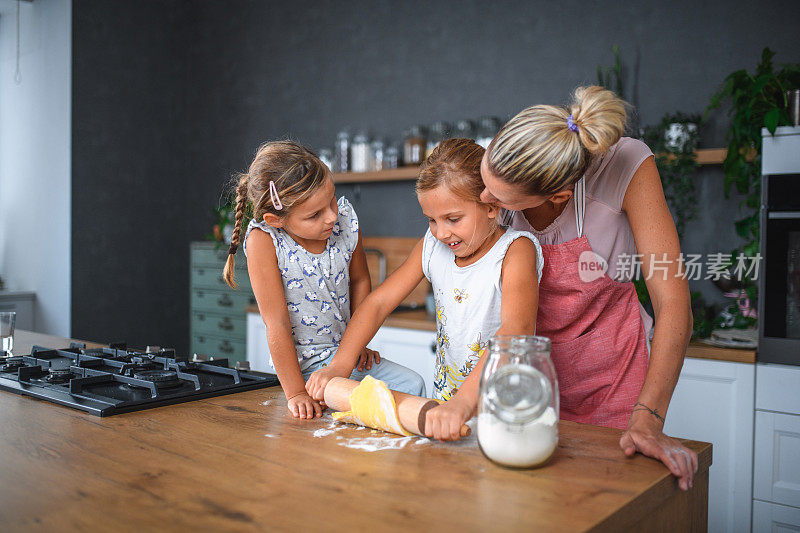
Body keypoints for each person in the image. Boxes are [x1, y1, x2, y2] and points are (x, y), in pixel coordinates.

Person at [479, 86, 698, 490]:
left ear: (558, 195)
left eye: (500, 197)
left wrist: (649, 418)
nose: (483, 198)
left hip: (613, 381)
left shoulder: (627, 164)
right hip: (530, 377)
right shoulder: (513, 161)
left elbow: (672, 299)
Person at [305, 138, 542, 440]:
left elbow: (515, 331)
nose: (442, 233)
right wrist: (339, 366)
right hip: (446, 408)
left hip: (507, 409)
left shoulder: (515, 251)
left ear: (492, 206)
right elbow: (379, 303)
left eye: (453, 219)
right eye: (431, 220)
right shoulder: (433, 246)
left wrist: (463, 403)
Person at [223, 141, 425, 420]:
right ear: (275, 220)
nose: (331, 216)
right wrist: (295, 393)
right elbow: (276, 323)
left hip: (344, 356)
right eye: (315, 214)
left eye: (331, 200)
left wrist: (357, 345)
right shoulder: (264, 240)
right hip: (301, 369)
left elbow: (360, 280)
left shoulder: (345, 221)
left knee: (412, 385)